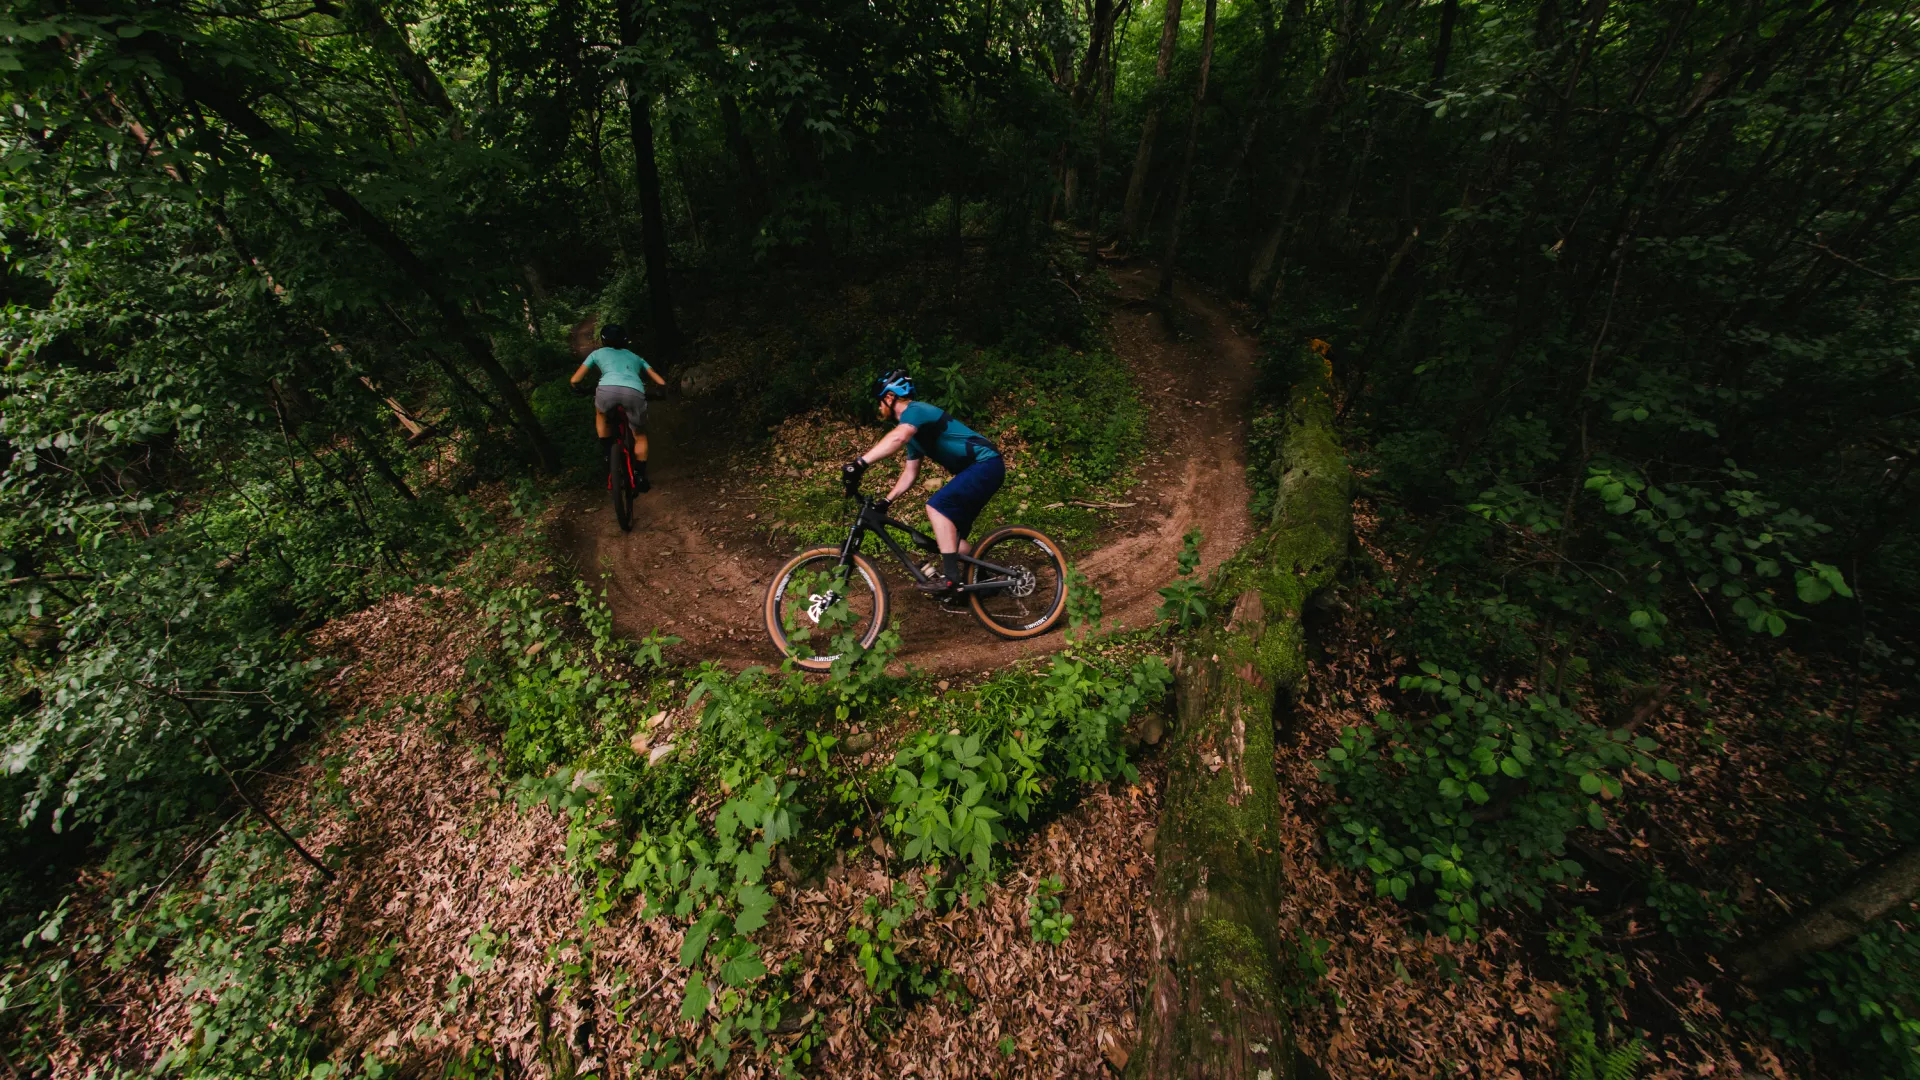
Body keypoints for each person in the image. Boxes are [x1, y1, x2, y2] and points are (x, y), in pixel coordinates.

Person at [842, 369, 1004, 593]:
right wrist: (887, 501)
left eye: (879, 402)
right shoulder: (913, 433)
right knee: (950, 540)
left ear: (890, 397)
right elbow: (910, 472)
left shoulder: (915, 412)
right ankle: (984, 579)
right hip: (979, 470)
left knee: (937, 508)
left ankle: (950, 579)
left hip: (986, 464)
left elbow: (898, 437)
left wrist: (860, 463)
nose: (878, 408)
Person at [570, 323, 667, 492]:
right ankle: (639, 475)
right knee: (640, 435)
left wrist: (579, 388)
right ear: (625, 341)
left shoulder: (597, 353)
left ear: (603, 340)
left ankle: (609, 452)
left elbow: (574, 380)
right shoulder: (636, 357)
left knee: (601, 414)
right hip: (634, 393)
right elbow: (661, 382)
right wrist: (658, 393)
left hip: (606, 391)